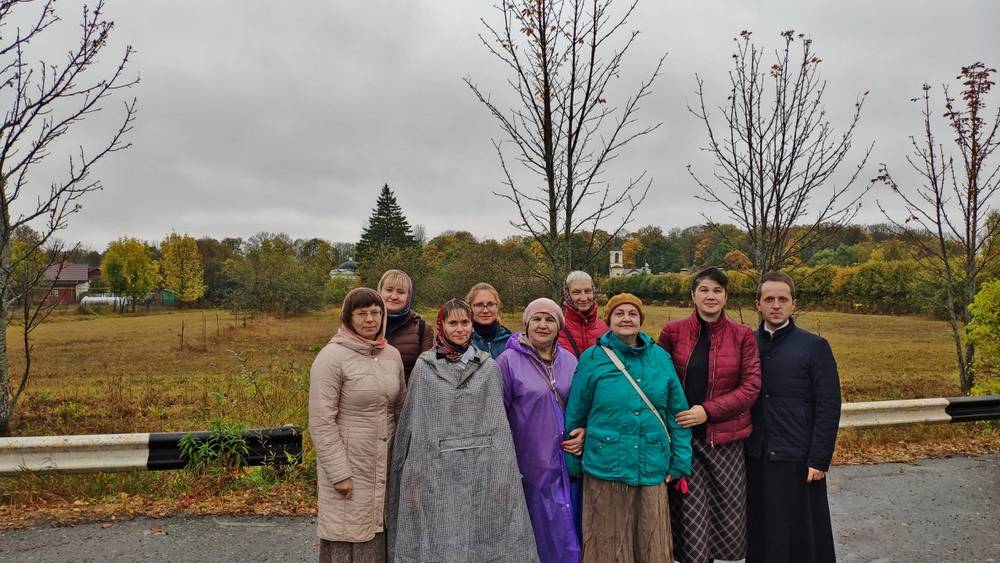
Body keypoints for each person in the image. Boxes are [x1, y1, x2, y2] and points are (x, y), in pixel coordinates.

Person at [387, 299, 539, 563]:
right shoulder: (425, 368)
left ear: (472, 325)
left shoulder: (488, 367)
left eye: (465, 322)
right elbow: (416, 423)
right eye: (453, 323)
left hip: (481, 467)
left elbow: (497, 425)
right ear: (442, 325)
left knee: (483, 530)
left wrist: (502, 468)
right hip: (437, 467)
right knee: (440, 531)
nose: (460, 329)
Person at [564, 293, 692, 563]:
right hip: (606, 465)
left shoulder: (659, 357)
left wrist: (680, 462)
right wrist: (574, 466)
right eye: (619, 313)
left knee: (650, 540)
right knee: (607, 542)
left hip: (651, 464)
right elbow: (576, 414)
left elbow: (677, 413)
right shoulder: (593, 358)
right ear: (608, 319)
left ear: (641, 320)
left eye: (632, 313)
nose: (626, 318)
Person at [657, 267, 761, 563]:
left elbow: (751, 387)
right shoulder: (673, 332)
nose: (710, 296)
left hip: (724, 443)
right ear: (693, 295)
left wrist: (707, 411)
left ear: (726, 296)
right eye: (704, 290)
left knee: (724, 523)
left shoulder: (742, 336)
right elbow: (656, 378)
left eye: (717, 290)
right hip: (684, 442)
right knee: (690, 524)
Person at [746, 272, 841, 563]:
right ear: (758, 304)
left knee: (803, 535)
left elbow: (828, 405)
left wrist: (819, 458)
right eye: (769, 299)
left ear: (793, 303)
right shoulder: (747, 344)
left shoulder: (814, 346)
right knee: (762, 533)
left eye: (782, 299)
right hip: (756, 456)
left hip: (798, 457)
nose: (776, 305)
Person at [309, 288, 406, 563]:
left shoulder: (392, 356)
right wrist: (339, 472)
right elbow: (321, 421)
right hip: (350, 466)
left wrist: (402, 460)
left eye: (375, 312)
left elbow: (401, 407)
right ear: (348, 317)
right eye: (361, 313)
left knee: (377, 532)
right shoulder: (331, 358)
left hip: (383, 463)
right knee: (347, 534)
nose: (369, 319)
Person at [496, 298, 583, 563]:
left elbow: (584, 406)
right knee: (538, 533)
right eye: (536, 319)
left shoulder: (570, 360)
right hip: (531, 463)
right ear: (526, 324)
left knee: (570, 527)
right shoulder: (507, 362)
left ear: (559, 327)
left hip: (568, 463)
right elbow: (497, 415)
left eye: (549, 320)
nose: (542, 325)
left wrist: (584, 432)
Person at [377, 269, 433, 380]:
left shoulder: (422, 329)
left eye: (401, 292)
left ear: (408, 296)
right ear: (379, 292)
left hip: (409, 395)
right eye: (389, 290)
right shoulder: (366, 326)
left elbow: (428, 373)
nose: (394, 296)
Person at [558, 271, 609, 358]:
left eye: (588, 291)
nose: (583, 298)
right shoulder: (557, 329)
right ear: (567, 295)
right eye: (576, 292)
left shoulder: (606, 329)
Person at [467, 282, 512, 359]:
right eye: (479, 305)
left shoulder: (510, 342)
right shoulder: (463, 341)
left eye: (490, 304)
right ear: (470, 308)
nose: (485, 310)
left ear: (498, 306)